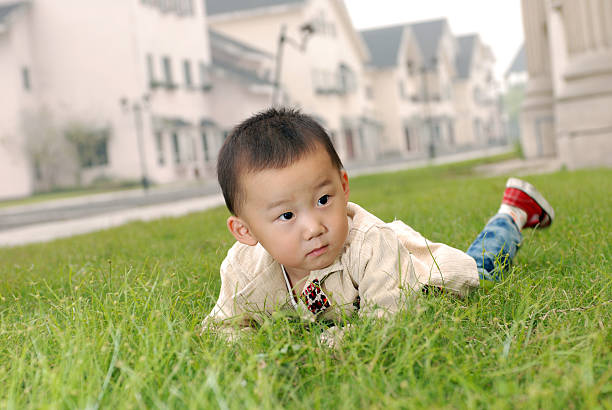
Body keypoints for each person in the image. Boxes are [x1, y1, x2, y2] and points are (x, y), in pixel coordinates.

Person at [202, 108, 554, 342]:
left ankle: (513, 213)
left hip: (421, 279)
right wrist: (250, 351)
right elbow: (223, 326)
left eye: (323, 200)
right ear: (245, 232)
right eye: (287, 216)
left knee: (482, 267)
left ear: (342, 186)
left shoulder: (369, 245)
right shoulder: (243, 270)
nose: (313, 227)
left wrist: (336, 342)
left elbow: (390, 322)